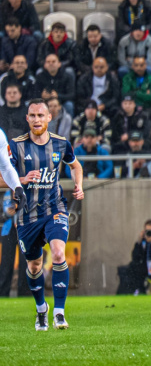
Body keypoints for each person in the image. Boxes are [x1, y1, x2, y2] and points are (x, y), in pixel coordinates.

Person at [8, 100, 84, 329]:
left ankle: (59, 312)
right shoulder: (16, 146)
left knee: (59, 253)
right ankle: (42, 308)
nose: (36, 119)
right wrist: (19, 180)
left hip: (55, 209)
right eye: (32, 115)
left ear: (49, 117)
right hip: (26, 216)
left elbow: (76, 166)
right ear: (27, 118)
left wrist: (78, 185)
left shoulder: (61, 144)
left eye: (41, 115)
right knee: (34, 266)